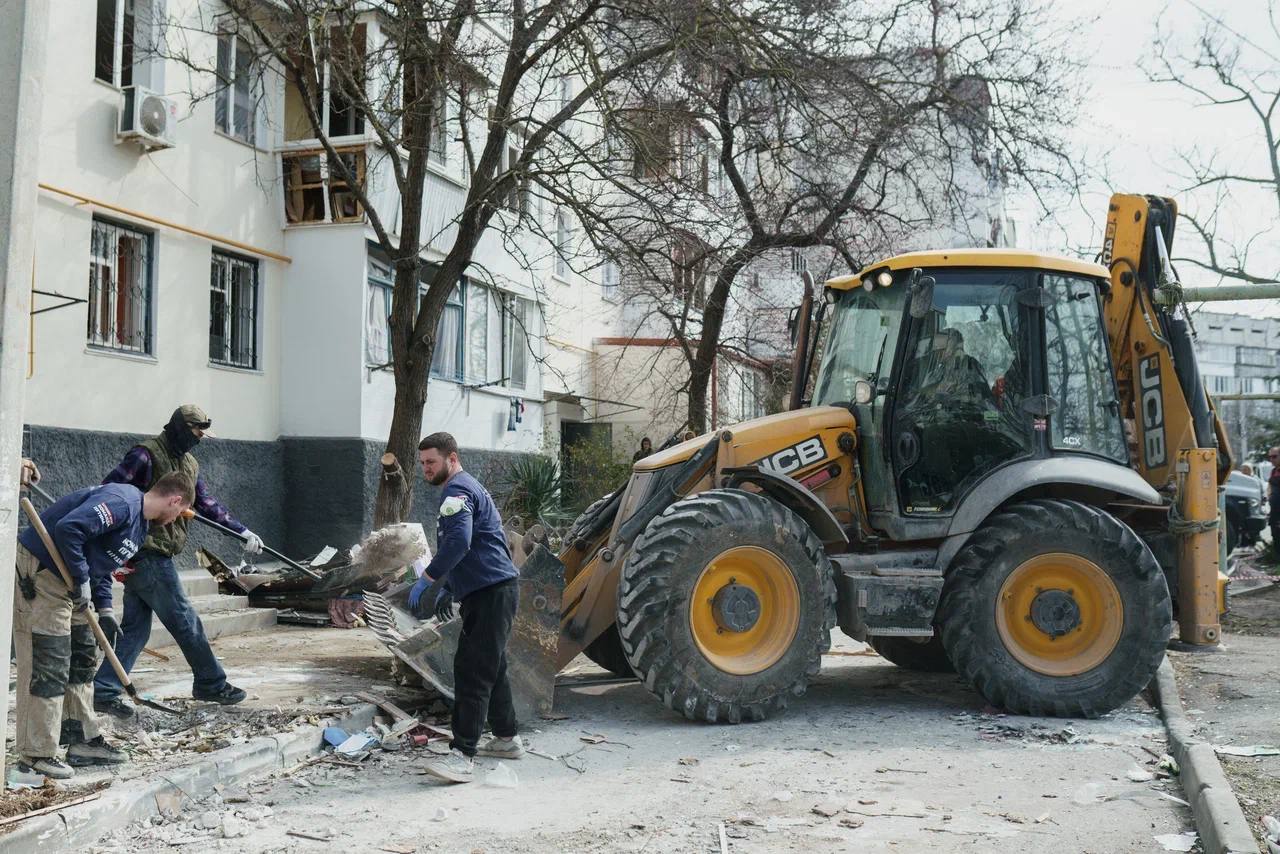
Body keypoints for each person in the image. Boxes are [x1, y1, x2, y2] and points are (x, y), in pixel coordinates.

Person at [14, 471, 195, 778]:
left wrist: (106, 608)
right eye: (181, 512)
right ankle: (35, 755)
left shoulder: (139, 527)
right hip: (43, 575)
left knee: (82, 659)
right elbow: (69, 528)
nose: (178, 518)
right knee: (49, 662)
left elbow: (101, 563)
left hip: (70, 583)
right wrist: (82, 580)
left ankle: (82, 740)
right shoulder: (122, 502)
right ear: (175, 500)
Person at [92, 405, 260, 719]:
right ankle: (211, 682)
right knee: (185, 621)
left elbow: (206, 503)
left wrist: (241, 530)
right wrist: (119, 546)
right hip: (145, 552)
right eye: (196, 432)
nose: (199, 439)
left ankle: (103, 689)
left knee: (135, 631)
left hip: (155, 553)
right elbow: (109, 492)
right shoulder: (144, 455)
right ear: (181, 428)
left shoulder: (189, 463)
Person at [409, 432, 521, 783]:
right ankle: (506, 738)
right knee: (493, 666)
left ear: (452, 458)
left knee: (472, 670)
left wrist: (429, 578)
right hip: (488, 591)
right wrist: (453, 587)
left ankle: (462, 755)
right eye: (423, 463)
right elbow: (482, 544)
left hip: (491, 592)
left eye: (432, 462)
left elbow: (460, 541)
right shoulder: (467, 487)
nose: (426, 469)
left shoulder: (456, 491)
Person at [1269, 447, 1280, 553]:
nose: (1271, 459)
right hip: (1274, 511)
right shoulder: (1273, 471)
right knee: (1275, 534)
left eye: (1274, 456)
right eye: (1270, 457)